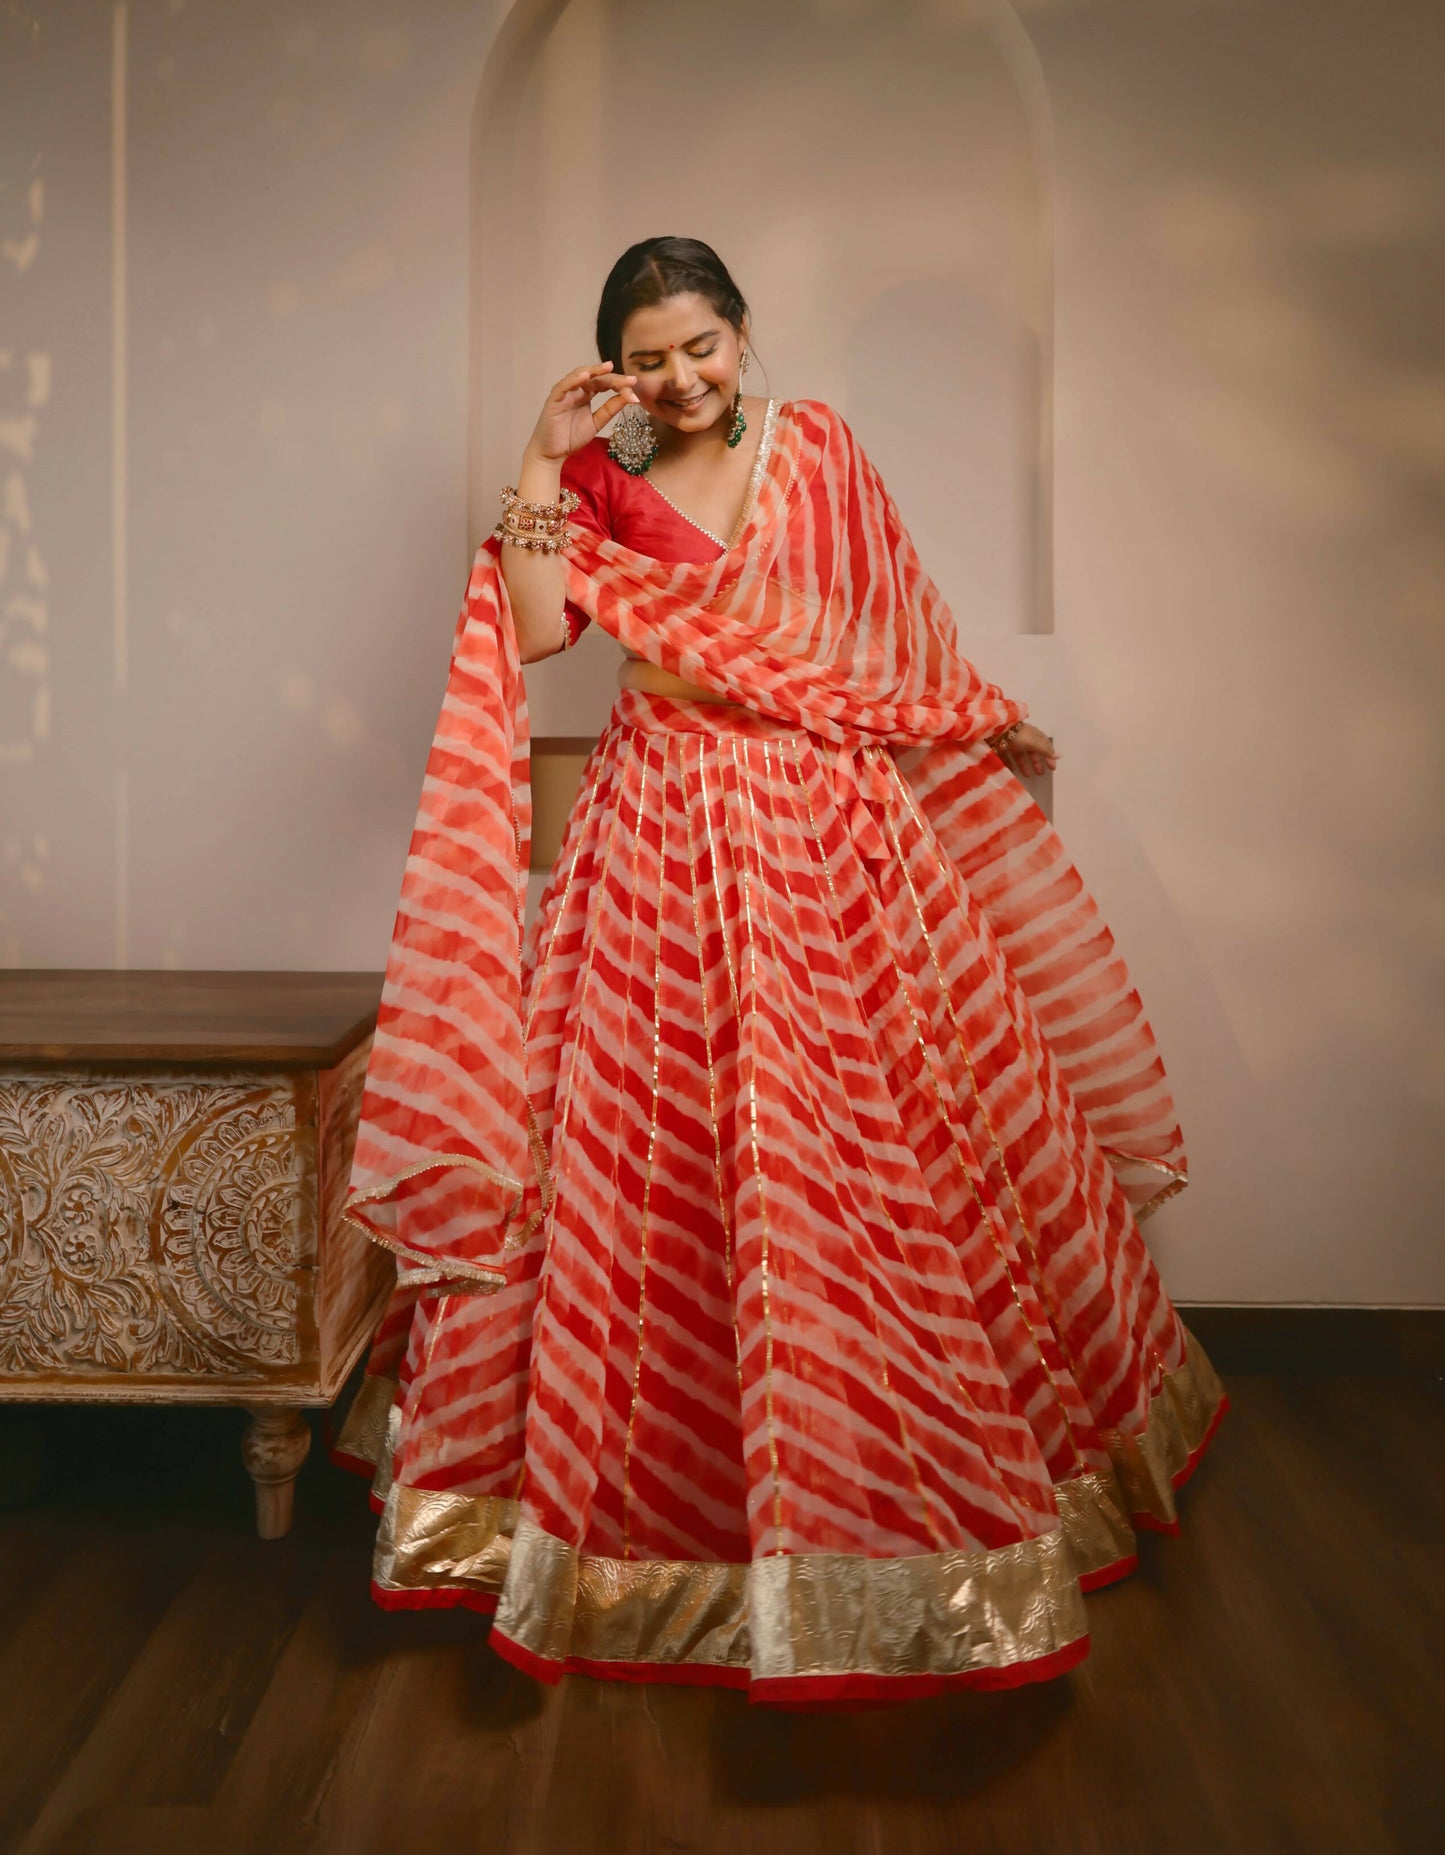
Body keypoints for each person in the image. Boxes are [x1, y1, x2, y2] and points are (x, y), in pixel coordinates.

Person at [336, 235, 1226, 1707]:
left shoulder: (817, 454)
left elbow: (882, 635)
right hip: (660, 823)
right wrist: (544, 462)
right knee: (641, 1146)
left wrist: (963, 715)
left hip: (826, 830)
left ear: (743, 337)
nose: (678, 381)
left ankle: (886, 1478)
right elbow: (546, 632)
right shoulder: (605, 468)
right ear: (610, 365)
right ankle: (642, 1505)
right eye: (645, 359)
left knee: (864, 1134)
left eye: (700, 348)